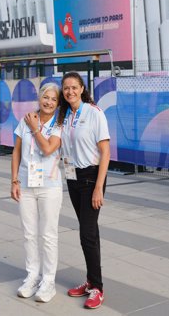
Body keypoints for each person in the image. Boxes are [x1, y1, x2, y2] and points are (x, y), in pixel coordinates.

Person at [57, 72, 110, 309]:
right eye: (66, 88)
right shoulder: (65, 115)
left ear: (82, 88)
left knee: (87, 234)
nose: (70, 92)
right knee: (89, 232)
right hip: (72, 178)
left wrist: (99, 187)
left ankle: (97, 288)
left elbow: (105, 152)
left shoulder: (93, 112)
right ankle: (90, 281)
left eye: (74, 87)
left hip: (91, 178)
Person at [11, 83, 63, 303]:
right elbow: (16, 151)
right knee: (29, 233)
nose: (48, 102)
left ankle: (48, 281)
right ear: (39, 98)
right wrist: (14, 179)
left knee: (48, 235)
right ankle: (32, 275)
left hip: (50, 187)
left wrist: (35, 128)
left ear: (58, 103)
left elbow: (49, 148)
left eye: (53, 99)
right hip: (26, 184)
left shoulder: (59, 124)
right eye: (45, 97)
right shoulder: (26, 120)